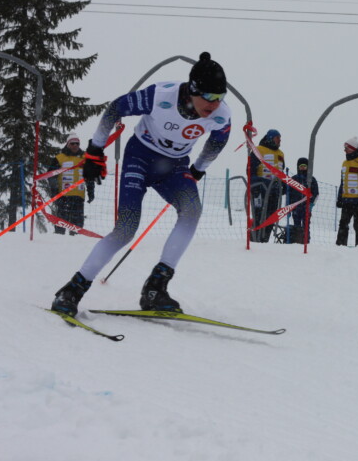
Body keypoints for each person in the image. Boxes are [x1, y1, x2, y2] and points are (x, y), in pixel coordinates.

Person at [51, 52, 231, 317]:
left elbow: (218, 142)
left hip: (175, 166)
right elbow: (115, 109)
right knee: (126, 229)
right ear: (193, 90)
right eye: (209, 97)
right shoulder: (161, 95)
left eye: (220, 97)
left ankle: (156, 287)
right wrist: (95, 150)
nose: (215, 104)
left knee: (192, 210)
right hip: (140, 157)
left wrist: (199, 169)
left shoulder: (221, 114)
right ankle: (72, 290)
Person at [250, 129, 285, 243]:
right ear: (270, 138)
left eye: (280, 138)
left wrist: (283, 185)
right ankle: (255, 238)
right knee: (259, 215)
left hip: (274, 190)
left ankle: (265, 239)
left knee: (271, 216)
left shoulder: (281, 153)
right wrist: (255, 183)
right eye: (277, 138)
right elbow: (251, 170)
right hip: (260, 189)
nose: (279, 140)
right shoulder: (259, 150)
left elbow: (281, 170)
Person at [48, 135, 87, 235]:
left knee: (77, 225)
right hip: (63, 196)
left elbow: (90, 176)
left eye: (77, 143)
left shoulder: (85, 158)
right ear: (67, 144)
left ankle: (75, 244)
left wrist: (91, 191)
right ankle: (58, 242)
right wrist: (54, 190)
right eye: (72, 143)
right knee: (61, 223)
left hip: (79, 196)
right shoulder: (59, 158)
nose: (75, 145)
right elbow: (51, 175)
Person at [337, 137, 358, 246]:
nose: (344, 150)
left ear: (352, 148)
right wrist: (340, 198)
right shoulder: (345, 163)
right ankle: (340, 245)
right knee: (343, 224)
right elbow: (343, 182)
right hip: (346, 200)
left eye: (346, 148)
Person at [288, 157, 319, 243]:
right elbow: (289, 194)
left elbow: (316, 193)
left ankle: (306, 241)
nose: (302, 168)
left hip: (306, 207)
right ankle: (297, 241)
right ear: (298, 167)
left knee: (306, 226)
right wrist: (289, 207)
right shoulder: (293, 179)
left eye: (304, 166)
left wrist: (311, 205)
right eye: (301, 166)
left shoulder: (311, 179)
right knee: (296, 225)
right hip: (296, 207)